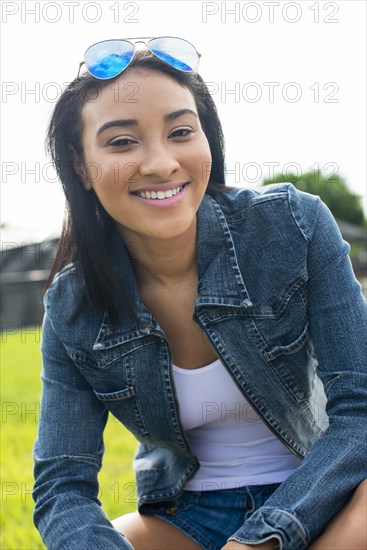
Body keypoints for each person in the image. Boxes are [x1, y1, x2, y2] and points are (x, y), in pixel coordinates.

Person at [32, 37, 366, 550]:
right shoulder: (72, 306)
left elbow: (359, 411)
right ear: (81, 165)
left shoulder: (292, 226)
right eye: (122, 142)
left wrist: (263, 538)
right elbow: (62, 487)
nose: (162, 163)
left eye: (181, 132)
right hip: (189, 517)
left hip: (326, 499)